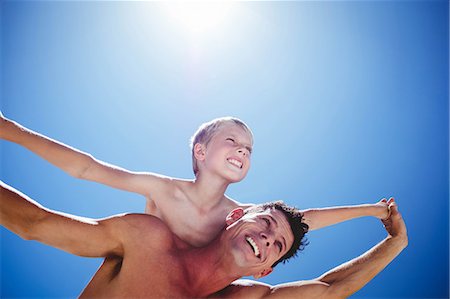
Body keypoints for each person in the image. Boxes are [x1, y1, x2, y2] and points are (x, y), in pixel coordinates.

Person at [0, 113, 390, 247]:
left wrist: (374, 211)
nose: (243, 151)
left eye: (249, 149)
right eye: (232, 141)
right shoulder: (163, 190)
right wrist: (11, 130)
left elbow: (305, 218)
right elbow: (87, 169)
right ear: (200, 153)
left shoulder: (240, 215)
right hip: (137, 273)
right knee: (35, 226)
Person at [1, 181, 408, 298]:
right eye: (265, 223)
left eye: (277, 245)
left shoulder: (244, 298)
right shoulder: (148, 240)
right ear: (235, 216)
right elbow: (34, 223)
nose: (266, 238)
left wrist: (394, 244)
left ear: (265, 267)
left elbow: (330, 289)